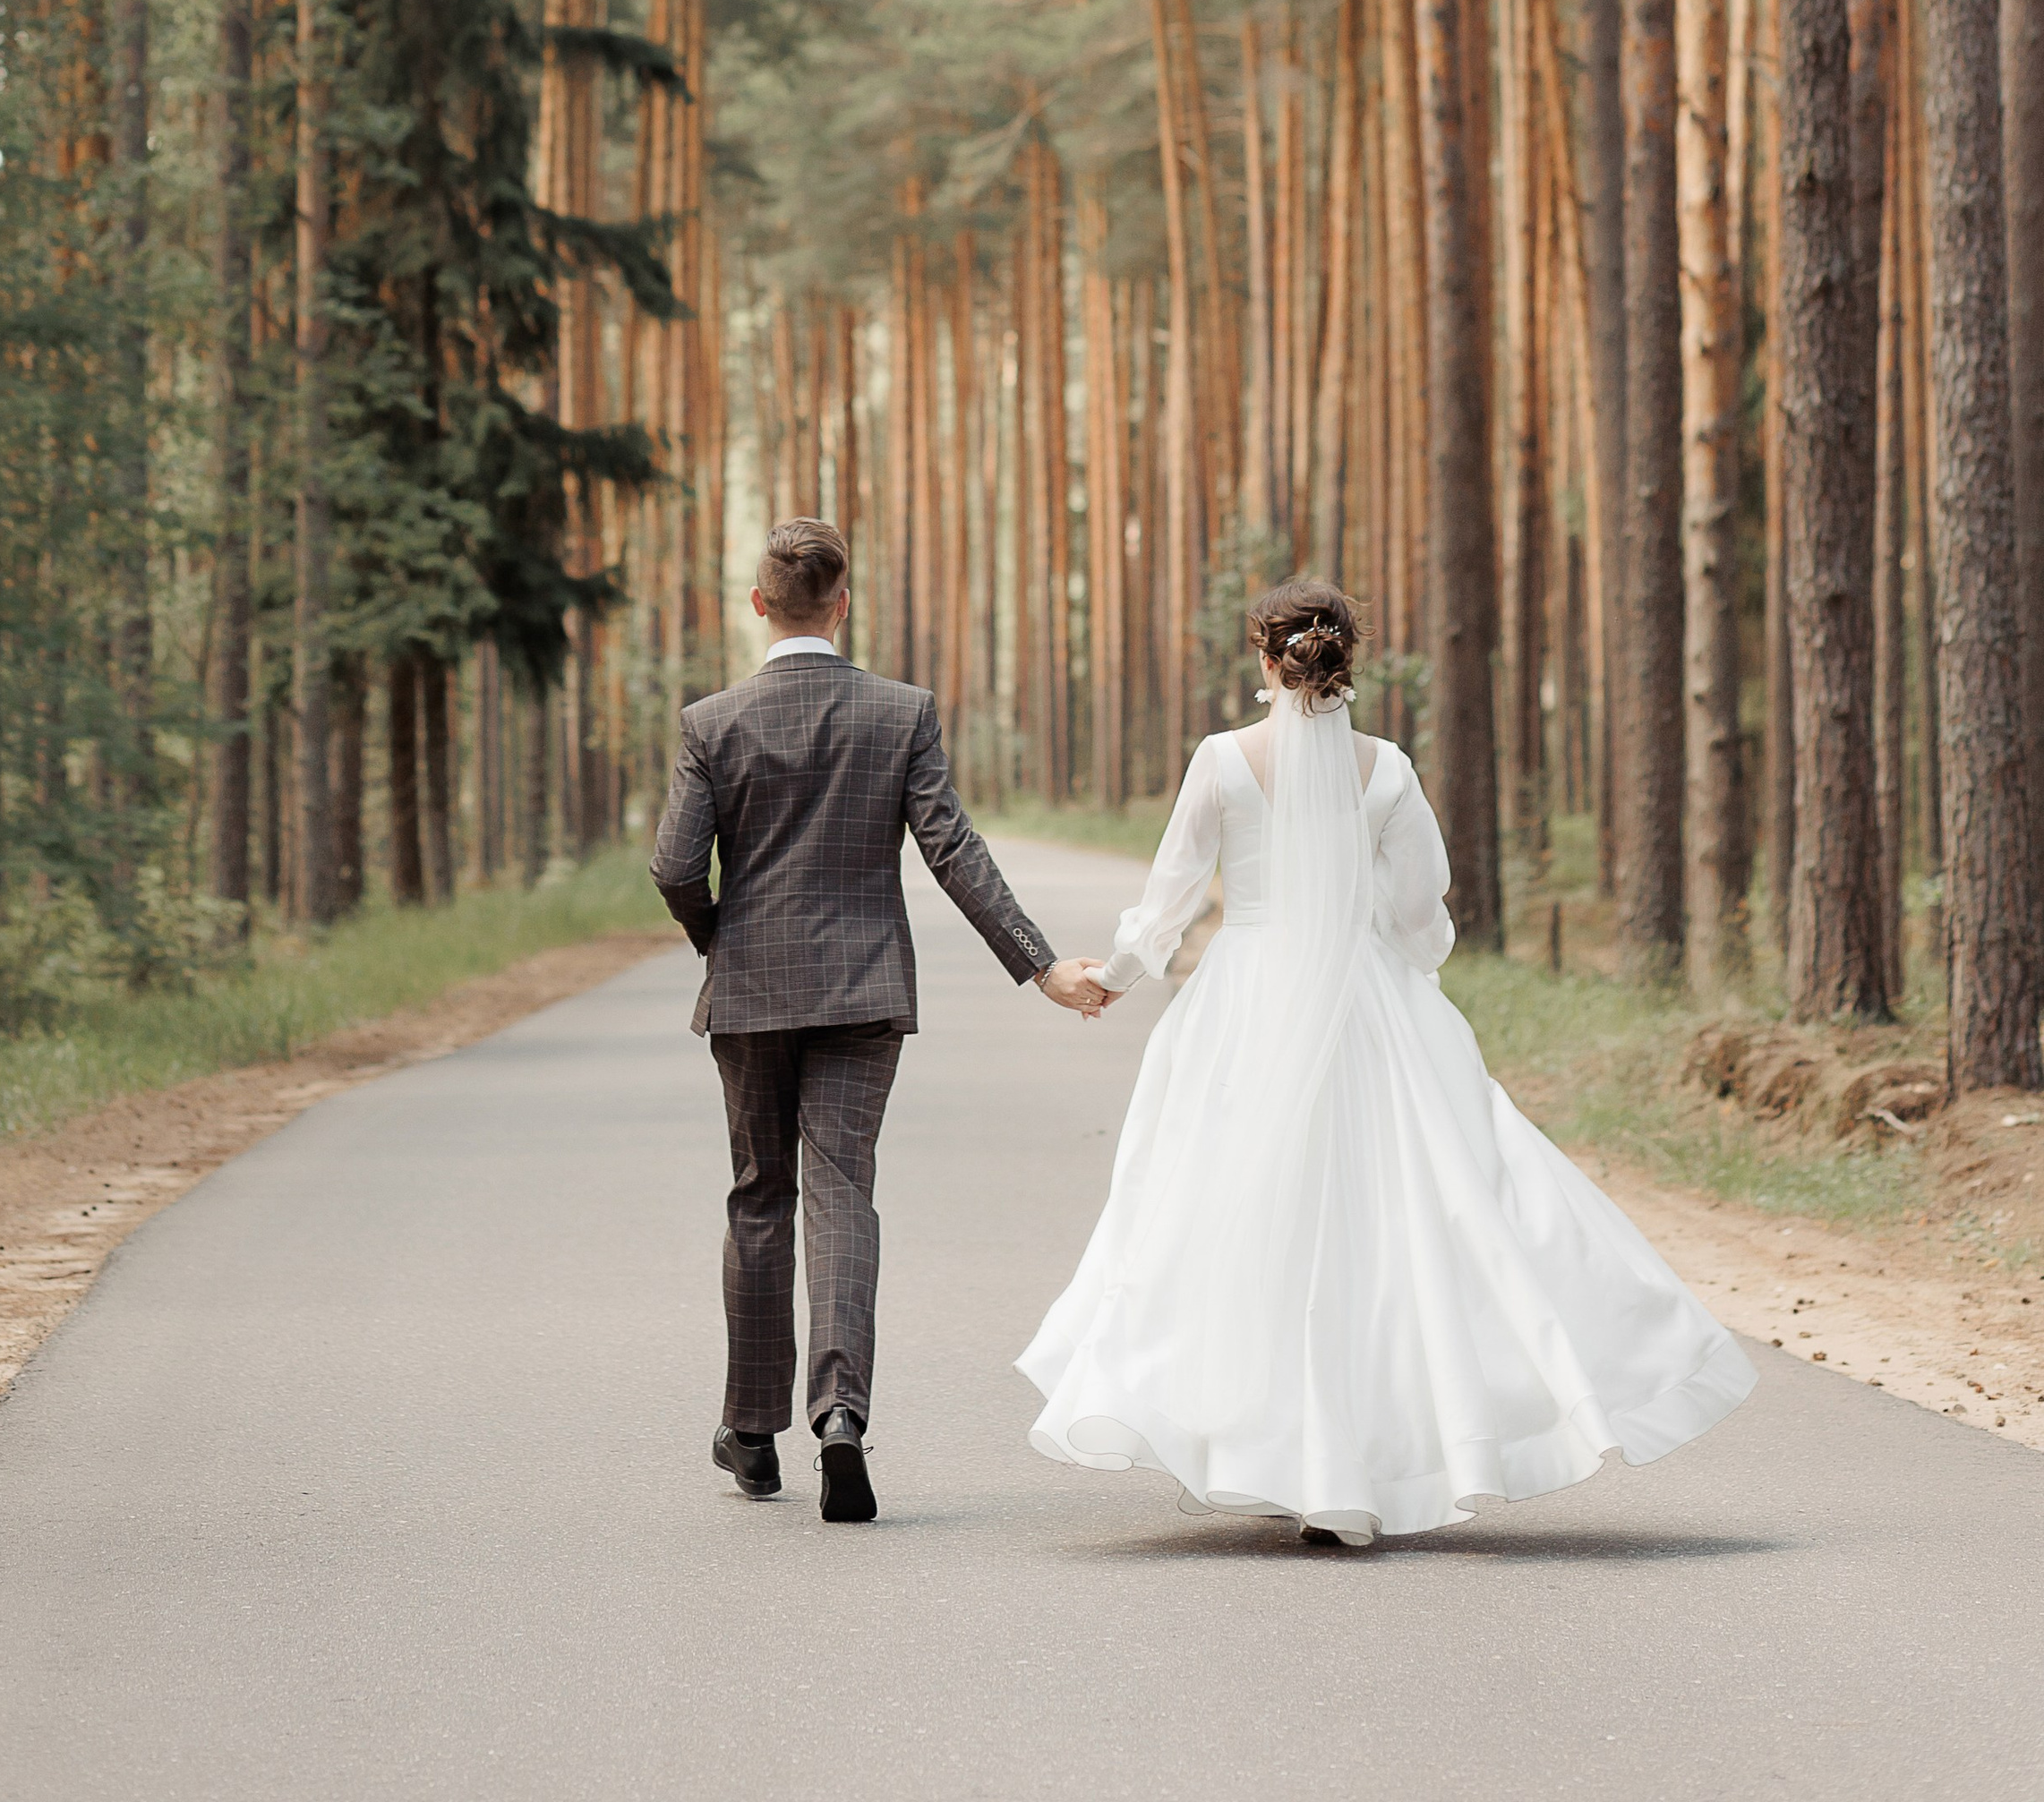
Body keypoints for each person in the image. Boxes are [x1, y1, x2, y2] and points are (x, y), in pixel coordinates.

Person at [1020, 577, 1755, 1545]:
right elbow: (1420, 912)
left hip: (1243, 1000)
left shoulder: (1221, 761)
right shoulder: (1386, 770)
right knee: (1390, 1224)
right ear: (1345, 662)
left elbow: (1169, 901)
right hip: (1365, 998)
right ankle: (1361, 1460)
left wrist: (1110, 975)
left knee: (1240, 1214)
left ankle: (1275, 1452)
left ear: (1263, 660)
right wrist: (1403, 973)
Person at [653, 515, 1108, 1524]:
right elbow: (953, 850)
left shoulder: (710, 722)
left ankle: (752, 1433)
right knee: (842, 1194)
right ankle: (841, 1418)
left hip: (753, 992)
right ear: (843, 603)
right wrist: (1040, 968)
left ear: (761, 604)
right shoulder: (898, 712)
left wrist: (717, 936)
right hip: (863, 992)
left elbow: (676, 867)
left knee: (760, 1196)